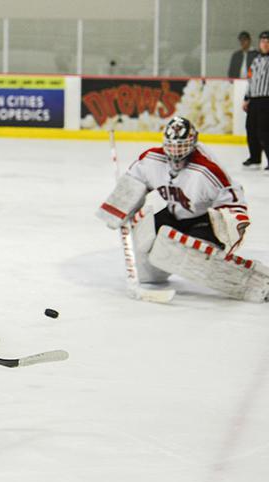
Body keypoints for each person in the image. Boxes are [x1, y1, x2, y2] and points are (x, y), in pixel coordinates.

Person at [97, 116, 269, 303]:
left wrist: (230, 224)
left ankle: (257, 282)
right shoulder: (152, 159)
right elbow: (135, 179)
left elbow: (232, 199)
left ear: (193, 142)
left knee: (189, 255)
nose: (175, 152)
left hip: (201, 220)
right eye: (171, 145)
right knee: (147, 271)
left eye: (181, 146)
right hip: (171, 214)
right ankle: (158, 269)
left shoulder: (206, 170)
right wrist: (120, 207)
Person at [242, 30, 269, 169]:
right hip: (254, 100)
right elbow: (251, 80)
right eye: (263, 41)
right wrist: (246, 98)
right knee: (251, 129)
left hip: (267, 100)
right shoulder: (256, 60)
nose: (265, 44)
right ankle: (255, 158)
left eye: (267, 41)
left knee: (264, 131)